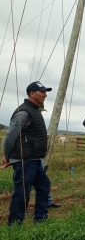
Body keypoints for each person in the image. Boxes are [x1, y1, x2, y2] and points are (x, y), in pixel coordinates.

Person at [1, 81, 52, 226]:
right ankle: (15, 224)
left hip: (34, 158)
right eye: (42, 92)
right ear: (32, 93)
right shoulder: (23, 112)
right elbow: (11, 135)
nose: (45, 94)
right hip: (24, 159)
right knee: (23, 192)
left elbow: (28, 132)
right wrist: (6, 156)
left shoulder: (35, 110)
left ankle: (41, 218)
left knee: (44, 186)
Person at [39, 103, 61, 209]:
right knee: (26, 184)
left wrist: (43, 136)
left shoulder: (37, 118)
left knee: (44, 181)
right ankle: (20, 210)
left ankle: (47, 201)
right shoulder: (25, 115)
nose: (40, 112)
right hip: (28, 157)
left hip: (38, 155)